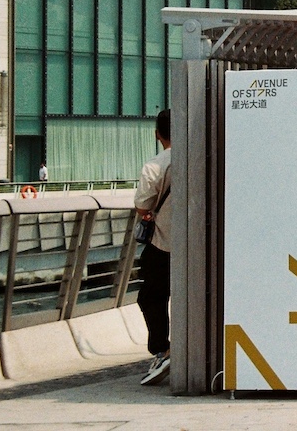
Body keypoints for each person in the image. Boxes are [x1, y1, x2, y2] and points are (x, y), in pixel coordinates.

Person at [135, 109, 174, 385]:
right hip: (205, 245)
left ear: (157, 134)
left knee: (150, 297)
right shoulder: (204, 155)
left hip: (165, 244)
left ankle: (163, 349)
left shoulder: (155, 166)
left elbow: (143, 206)